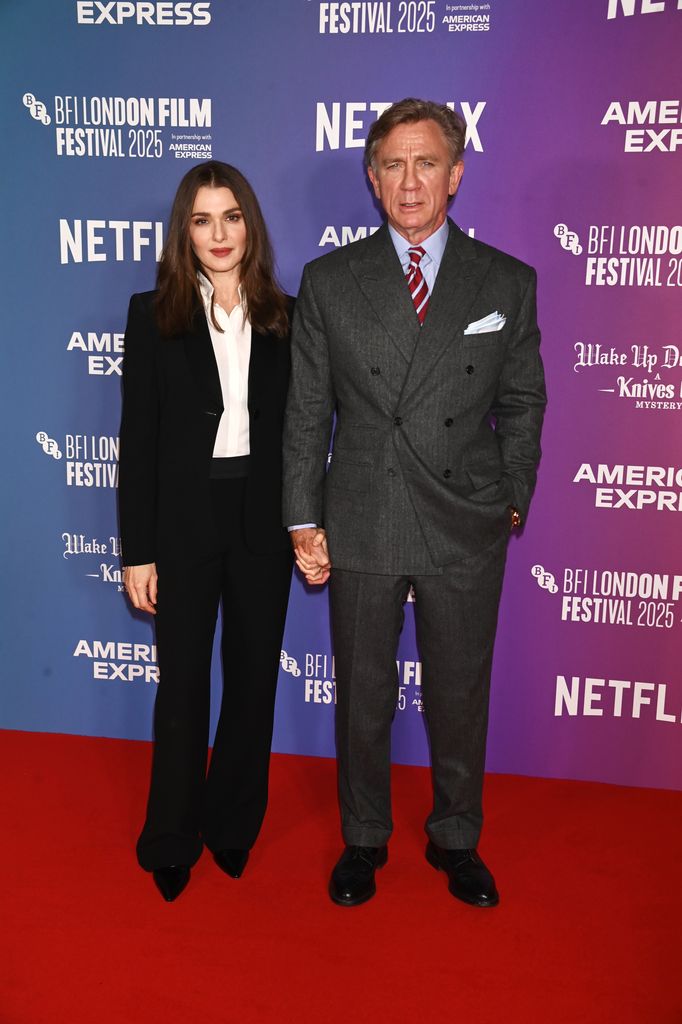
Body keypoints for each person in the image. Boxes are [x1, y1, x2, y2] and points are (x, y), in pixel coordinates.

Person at [283, 98, 546, 908]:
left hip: (466, 519)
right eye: (392, 164)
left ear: (456, 175)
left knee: (461, 690)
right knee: (363, 692)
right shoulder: (330, 281)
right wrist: (303, 517)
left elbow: (525, 400)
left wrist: (509, 499)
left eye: (426, 162)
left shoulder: (505, 280)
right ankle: (364, 838)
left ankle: (455, 836)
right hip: (365, 511)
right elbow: (306, 412)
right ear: (371, 177)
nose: (409, 181)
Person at [119, 161, 293, 902]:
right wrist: (139, 552)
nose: (219, 235)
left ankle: (231, 828)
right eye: (202, 220)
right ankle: (171, 836)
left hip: (263, 522)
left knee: (253, 684)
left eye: (231, 217)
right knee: (182, 685)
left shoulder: (287, 313)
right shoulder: (152, 314)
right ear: (183, 233)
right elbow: (139, 440)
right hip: (184, 525)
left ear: (249, 224)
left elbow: (302, 429)